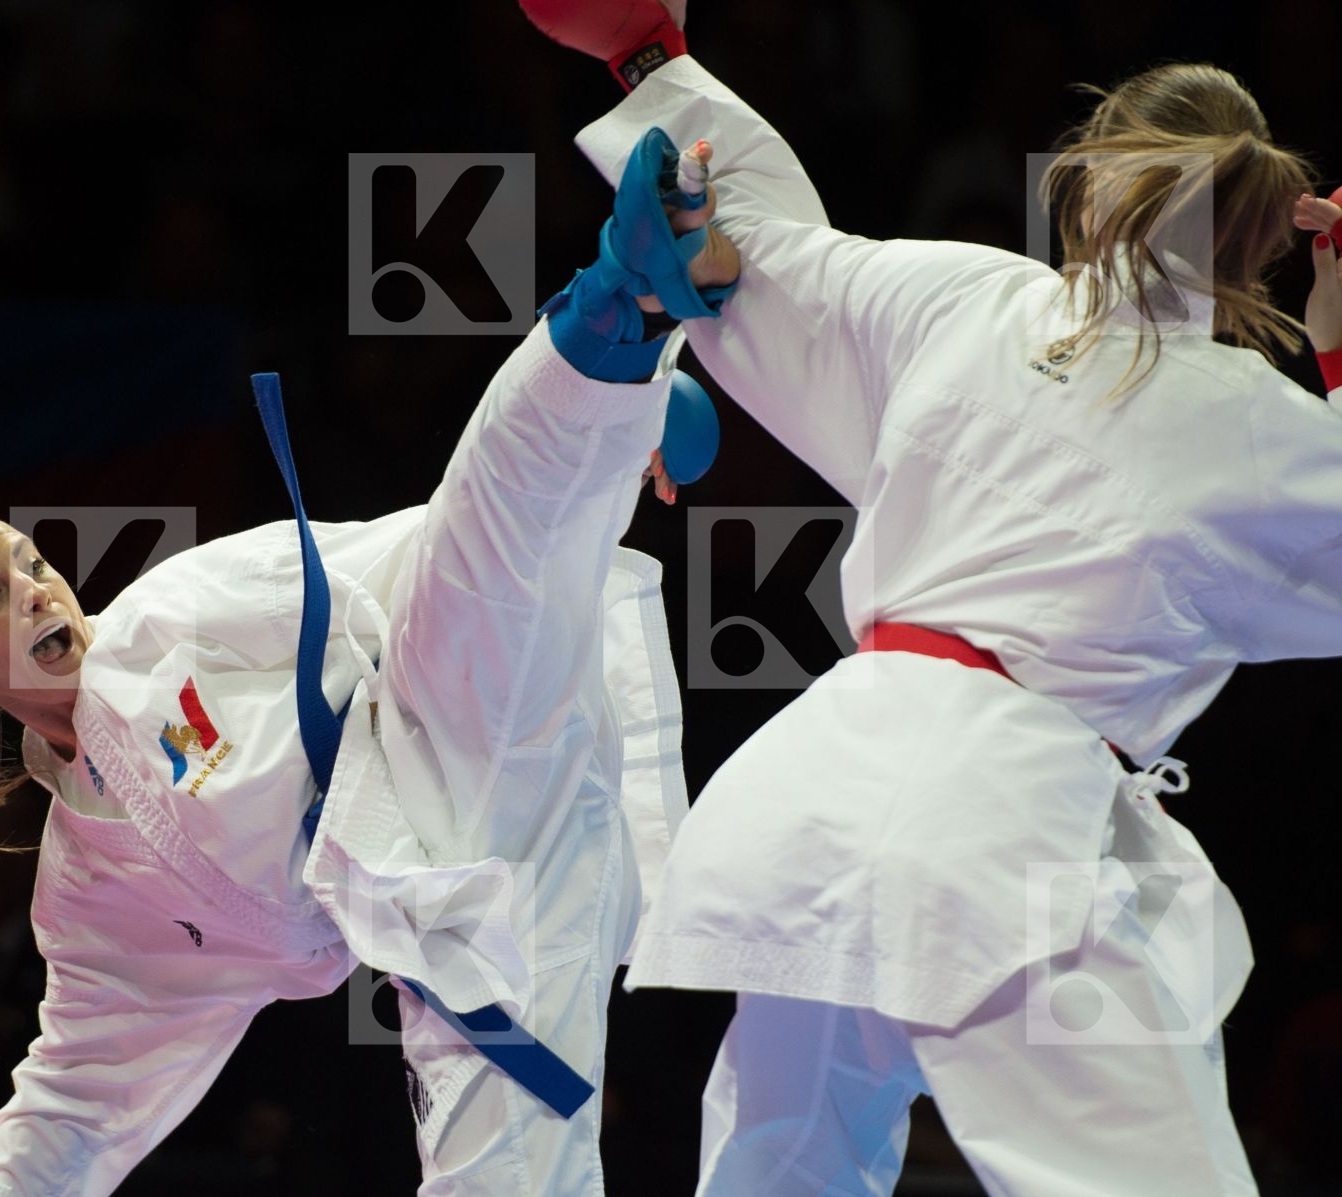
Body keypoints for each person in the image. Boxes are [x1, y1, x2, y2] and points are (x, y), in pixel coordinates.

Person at [0, 130, 739, 1195]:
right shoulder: (88, 890)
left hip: (448, 704)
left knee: (474, 553)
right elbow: (74, 1098)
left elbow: (424, 548)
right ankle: (617, 349)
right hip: (466, 910)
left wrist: (597, 457)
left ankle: (624, 294)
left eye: (32, 562)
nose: (38, 590)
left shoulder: (166, 616)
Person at [523, 3, 1342, 1194]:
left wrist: (648, 52)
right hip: (1002, 844)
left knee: (781, 1175)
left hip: (825, 804)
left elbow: (744, 242)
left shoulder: (963, 302)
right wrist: (1332, 357)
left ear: (1087, 181)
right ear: (1264, 232)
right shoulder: (1253, 427)